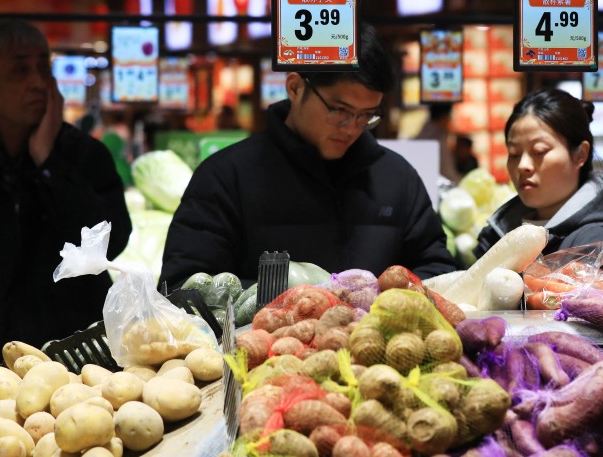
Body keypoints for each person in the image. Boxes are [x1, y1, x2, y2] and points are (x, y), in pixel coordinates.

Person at [160, 25, 456, 289]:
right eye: (339, 110)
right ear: (295, 87)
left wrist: (379, 302)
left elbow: (438, 270)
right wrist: (294, 302)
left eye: (366, 115)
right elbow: (184, 286)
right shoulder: (225, 177)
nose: (352, 127)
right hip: (260, 349)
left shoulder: (397, 177)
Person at [0, 19, 132, 385]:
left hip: (79, 371)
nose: (39, 81)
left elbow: (113, 242)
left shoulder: (86, 158)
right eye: (20, 70)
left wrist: (49, 164)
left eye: (45, 66)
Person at [474, 88, 603, 277]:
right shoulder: (498, 235)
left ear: (580, 155)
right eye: (514, 154)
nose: (523, 165)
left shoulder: (601, 245)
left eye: (539, 151)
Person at [415, 103, 461, 183]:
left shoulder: (427, 134)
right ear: (445, 117)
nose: (451, 121)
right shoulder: (436, 139)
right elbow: (447, 172)